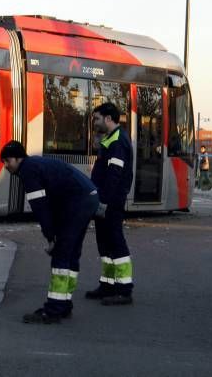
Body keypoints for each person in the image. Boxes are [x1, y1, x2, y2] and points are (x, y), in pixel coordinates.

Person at [0, 140, 100, 324]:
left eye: (7, 161)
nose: (5, 166)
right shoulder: (36, 164)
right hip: (88, 197)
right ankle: (63, 304)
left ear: (18, 158)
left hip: (77, 202)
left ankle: (53, 310)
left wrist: (51, 237)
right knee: (71, 253)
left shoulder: (28, 170)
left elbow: (40, 208)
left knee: (61, 255)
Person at [86, 103, 135, 305]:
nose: (95, 122)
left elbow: (114, 176)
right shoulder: (111, 139)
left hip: (111, 202)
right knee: (105, 244)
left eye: (97, 118)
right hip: (105, 201)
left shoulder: (118, 142)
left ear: (108, 118)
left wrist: (104, 202)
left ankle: (124, 289)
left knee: (115, 242)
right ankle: (107, 285)